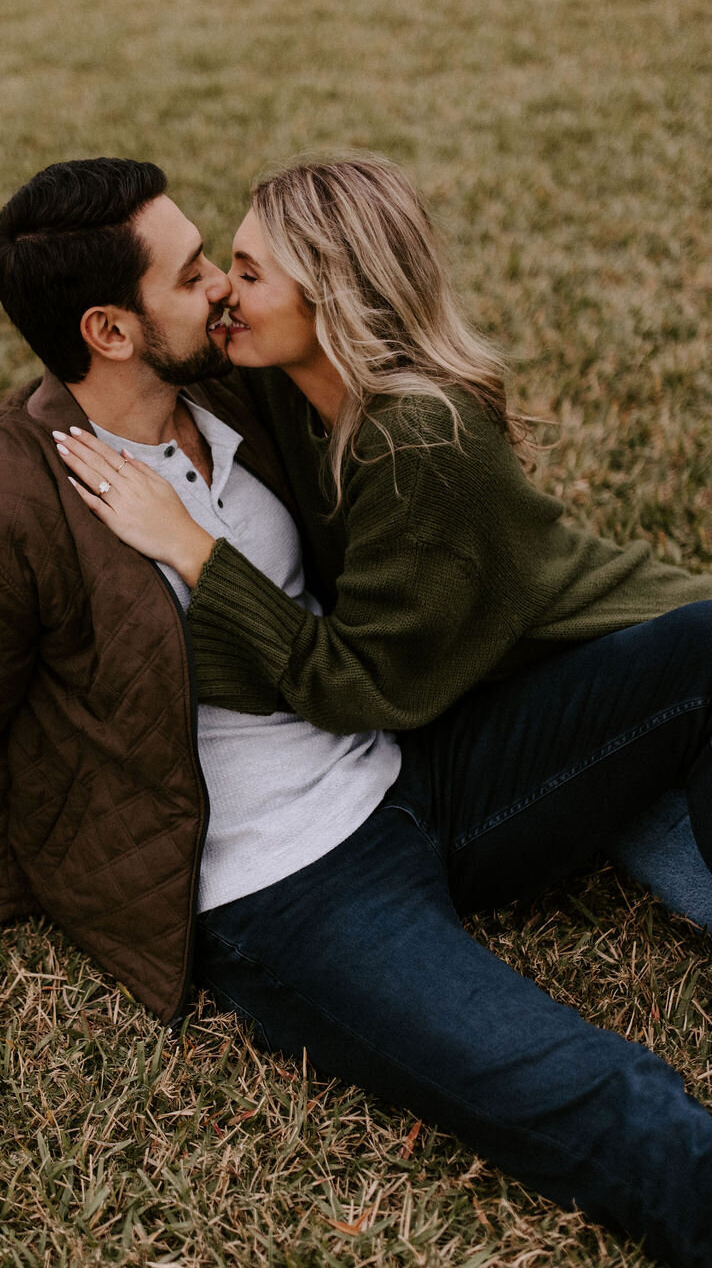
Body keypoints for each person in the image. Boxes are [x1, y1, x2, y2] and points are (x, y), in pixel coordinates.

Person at [0, 158, 712, 1268]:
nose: (223, 294)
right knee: (576, 1083)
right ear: (112, 328)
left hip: (409, 767)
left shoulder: (239, 390)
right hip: (290, 885)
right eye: (193, 277)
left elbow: (381, 446)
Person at [57, 152, 712, 921]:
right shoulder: (285, 386)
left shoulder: (420, 442)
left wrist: (197, 553)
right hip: (500, 694)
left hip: (630, 663)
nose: (222, 291)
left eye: (248, 272)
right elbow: (116, 368)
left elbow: (363, 688)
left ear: (331, 299)